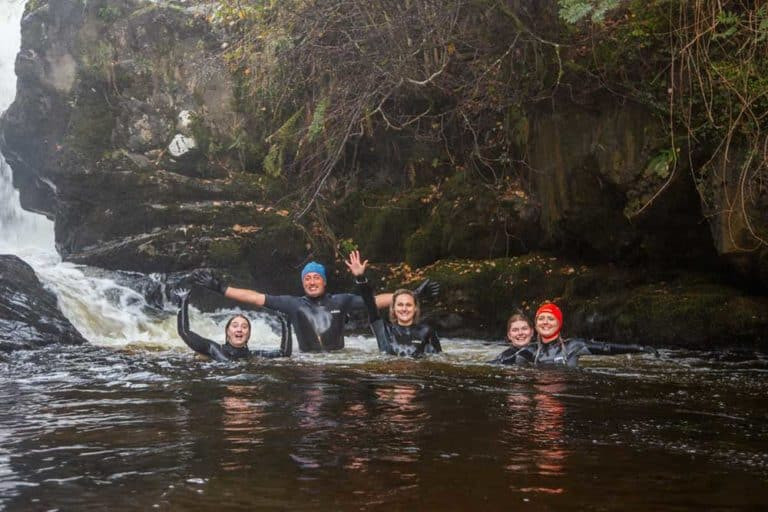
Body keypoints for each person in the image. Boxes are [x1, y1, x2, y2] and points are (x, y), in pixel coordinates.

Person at [191, 261, 439, 352]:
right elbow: (256, 298)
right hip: (308, 362)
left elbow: (374, 302)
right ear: (303, 283)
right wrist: (220, 288)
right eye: (307, 278)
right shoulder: (292, 304)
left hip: (337, 358)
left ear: (323, 280)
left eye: (316, 277)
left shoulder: (340, 301)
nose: (311, 281)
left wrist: (412, 293)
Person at [499, 303, 658, 367]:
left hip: (569, 396)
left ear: (559, 323)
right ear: (536, 325)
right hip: (541, 399)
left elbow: (607, 348)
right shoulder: (530, 351)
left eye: (550, 318)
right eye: (541, 318)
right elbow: (499, 364)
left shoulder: (574, 345)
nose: (545, 322)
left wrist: (639, 348)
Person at [346, 250, 441, 357]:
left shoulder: (426, 331)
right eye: (400, 305)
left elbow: (439, 359)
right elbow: (370, 304)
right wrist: (360, 277)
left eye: (408, 305)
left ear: (415, 308)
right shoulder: (383, 329)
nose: (404, 309)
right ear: (393, 308)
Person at [176, 289, 291, 361]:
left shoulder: (254, 355)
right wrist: (183, 301)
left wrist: (285, 322)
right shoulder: (214, 349)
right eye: (235, 326)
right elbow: (185, 332)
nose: (239, 329)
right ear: (227, 332)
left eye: (244, 327)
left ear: (249, 334)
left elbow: (284, 353)